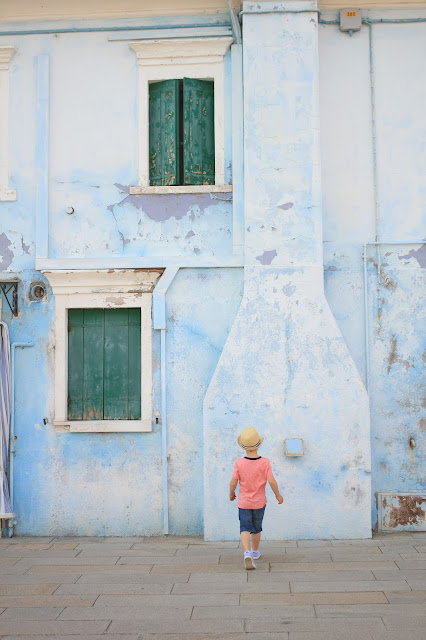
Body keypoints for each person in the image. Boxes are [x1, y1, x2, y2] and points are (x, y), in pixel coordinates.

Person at [229, 427, 283, 569]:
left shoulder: (239, 463)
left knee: (245, 527)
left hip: (244, 502)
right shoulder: (265, 462)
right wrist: (278, 494)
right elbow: (271, 481)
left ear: (243, 446)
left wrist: (231, 493)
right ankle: (255, 551)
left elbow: (233, 481)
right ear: (258, 444)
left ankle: (246, 553)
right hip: (259, 503)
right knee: (257, 528)